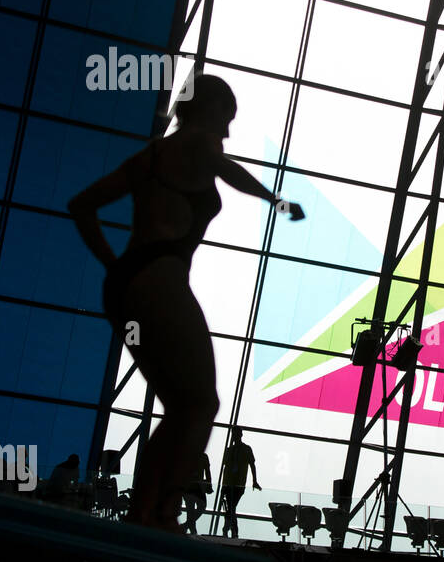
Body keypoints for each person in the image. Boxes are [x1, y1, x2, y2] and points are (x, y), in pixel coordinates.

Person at [68, 74, 303, 530]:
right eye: (225, 118)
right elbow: (226, 167)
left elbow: (82, 205)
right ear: (206, 108)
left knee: (184, 407)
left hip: (129, 283)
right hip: (158, 278)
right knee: (200, 406)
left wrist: (114, 265)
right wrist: (275, 199)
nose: (227, 132)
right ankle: (160, 513)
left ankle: (148, 510)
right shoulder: (197, 142)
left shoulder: (153, 155)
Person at [220, 427, 260, 539]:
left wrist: (254, 480)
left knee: (231, 508)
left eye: (236, 434)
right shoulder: (229, 450)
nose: (235, 436)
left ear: (240, 435)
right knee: (231, 508)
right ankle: (231, 530)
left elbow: (252, 465)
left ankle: (229, 529)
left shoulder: (246, 449)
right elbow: (225, 468)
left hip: (238, 484)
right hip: (228, 484)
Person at [182, 451, 212, 535]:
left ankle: (187, 527)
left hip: (195, 486)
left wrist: (209, 484)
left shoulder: (201, 456)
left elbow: (207, 471)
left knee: (195, 509)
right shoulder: (202, 456)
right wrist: (208, 484)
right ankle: (191, 529)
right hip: (193, 486)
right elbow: (207, 471)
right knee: (194, 509)